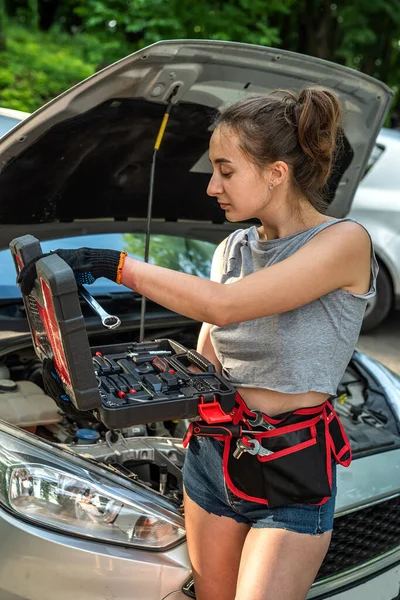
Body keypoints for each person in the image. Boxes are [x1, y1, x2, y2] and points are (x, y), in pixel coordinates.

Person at [18, 87, 377, 600]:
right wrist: (97, 380)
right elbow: (205, 360)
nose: (212, 187)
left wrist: (114, 265)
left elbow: (222, 306)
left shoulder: (344, 242)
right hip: (212, 457)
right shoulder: (233, 248)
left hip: (290, 466)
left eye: (226, 171)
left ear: (277, 172)